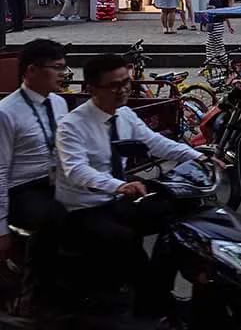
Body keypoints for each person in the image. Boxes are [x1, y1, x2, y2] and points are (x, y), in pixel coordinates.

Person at [55, 53, 207, 320]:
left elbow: (155, 143)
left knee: (182, 212)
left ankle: (158, 290)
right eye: (114, 85)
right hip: (85, 207)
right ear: (92, 88)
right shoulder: (72, 125)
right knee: (124, 239)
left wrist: (199, 155)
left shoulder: (125, 114)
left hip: (119, 199)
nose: (123, 89)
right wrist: (118, 186)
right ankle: (141, 304)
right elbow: (76, 170)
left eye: (126, 81)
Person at [0, 40, 69, 312]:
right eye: (57, 68)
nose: (64, 74)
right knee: (55, 218)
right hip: (24, 188)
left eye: (65, 68)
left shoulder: (60, 103)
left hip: (59, 181)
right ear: (31, 70)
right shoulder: (7, 112)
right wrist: (1, 227)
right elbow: (0, 170)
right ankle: (34, 296)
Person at [204, 0, 234, 74]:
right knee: (212, 46)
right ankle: (208, 66)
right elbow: (225, 16)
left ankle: (228, 65)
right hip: (219, 26)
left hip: (214, 27)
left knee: (216, 47)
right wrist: (229, 26)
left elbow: (208, 15)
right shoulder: (222, 0)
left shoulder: (213, 1)